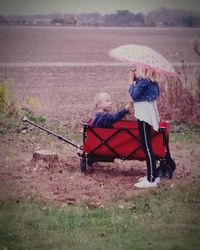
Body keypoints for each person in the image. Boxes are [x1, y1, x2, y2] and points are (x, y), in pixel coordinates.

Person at [128, 66, 160, 188]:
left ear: (143, 69)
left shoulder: (143, 81)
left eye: (137, 68)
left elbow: (134, 95)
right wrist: (137, 80)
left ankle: (151, 180)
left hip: (144, 114)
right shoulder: (151, 81)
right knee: (148, 145)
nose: (135, 70)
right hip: (148, 112)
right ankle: (154, 175)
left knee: (146, 146)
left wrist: (131, 81)